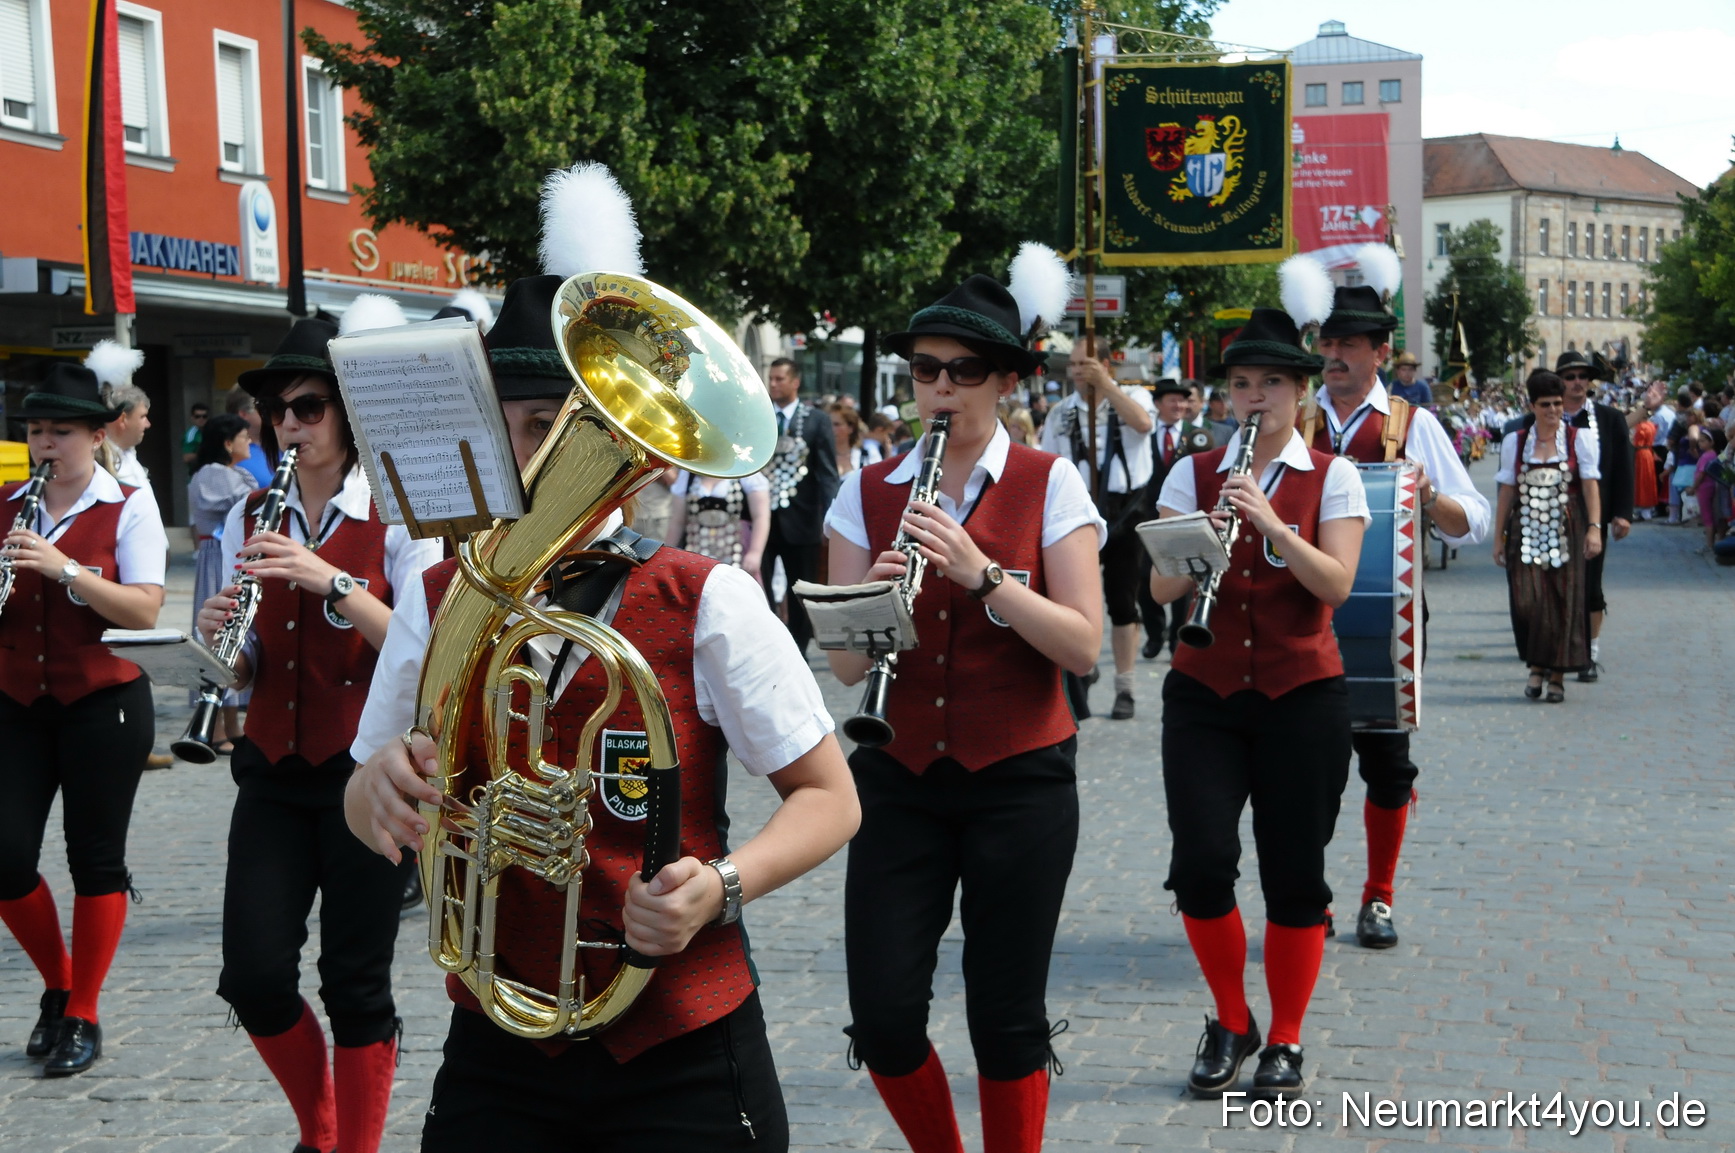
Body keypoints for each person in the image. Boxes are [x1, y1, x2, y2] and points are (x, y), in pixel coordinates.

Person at [342, 258, 858, 1152]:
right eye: (502, 429)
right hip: (498, 1041)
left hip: (680, 1040)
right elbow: (363, 797)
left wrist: (722, 887)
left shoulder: (709, 598)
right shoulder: (434, 594)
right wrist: (378, 791)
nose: (526, 454)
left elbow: (830, 798)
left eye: (549, 424)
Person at [825, 271, 1103, 1153]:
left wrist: (983, 574)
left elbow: (1083, 645)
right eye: (922, 369)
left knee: (1006, 1012)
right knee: (884, 1014)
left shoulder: (1048, 483)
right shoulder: (864, 490)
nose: (939, 387)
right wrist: (872, 603)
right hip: (895, 774)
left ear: (1006, 380)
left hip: (1019, 775)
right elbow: (838, 664)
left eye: (963, 370)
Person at [194, 310, 442, 1153]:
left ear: (348, 414)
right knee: (254, 977)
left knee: (355, 981)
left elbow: (426, 645)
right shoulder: (248, 517)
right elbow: (246, 665)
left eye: (309, 408)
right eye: (277, 411)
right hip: (271, 766)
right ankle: (321, 1127)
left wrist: (329, 577)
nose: (289, 425)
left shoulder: (400, 513)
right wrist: (219, 641)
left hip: (367, 773)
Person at [1148, 307, 1367, 1100]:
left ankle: (1285, 1036)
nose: (1253, 396)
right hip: (1203, 690)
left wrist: (1272, 523)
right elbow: (1161, 587)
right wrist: (1201, 535)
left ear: (1300, 393)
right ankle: (1230, 1016)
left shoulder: (1330, 474)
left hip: (1302, 691)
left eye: (1270, 382)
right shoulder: (1191, 472)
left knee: (1294, 874)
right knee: (1200, 863)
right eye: (1240, 383)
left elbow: (1335, 584)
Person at [1305, 277, 1490, 952]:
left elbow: (1471, 519)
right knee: (1305, 765)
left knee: (1386, 763)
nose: (1333, 355)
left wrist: (1429, 494)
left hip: (1391, 618)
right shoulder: (1293, 421)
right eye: (1326, 342)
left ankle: (1377, 894)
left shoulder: (1415, 426)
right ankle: (1308, 895)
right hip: (1305, 615)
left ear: (1380, 351)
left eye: (1348, 343)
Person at [0, 364, 168, 1076]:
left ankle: (84, 1010)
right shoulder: (7, 501)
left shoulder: (127, 503)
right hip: (14, 700)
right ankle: (59, 980)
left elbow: (144, 608)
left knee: (94, 858)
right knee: (5, 857)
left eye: (60, 431)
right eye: (36, 430)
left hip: (104, 701)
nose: (45, 444)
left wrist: (64, 566)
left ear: (97, 436)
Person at [1039, 341, 1154, 719]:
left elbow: (1143, 424)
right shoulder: (1061, 413)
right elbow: (1048, 464)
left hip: (1126, 512)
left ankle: (1126, 686)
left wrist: (1106, 386)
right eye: (1071, 364)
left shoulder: (1131, 396)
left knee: (1122, 602)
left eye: (1083, 363)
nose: (1075, 371)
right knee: (1070, 600)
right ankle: (1081, 668)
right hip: (1078, 514)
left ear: (1104, 364)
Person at [1492, 371, 1601, 702]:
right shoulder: (1517, 440)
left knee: (1563, 600)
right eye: (1545, 404)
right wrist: (1498, 537)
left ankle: (1552, 674)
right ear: (1532, 405)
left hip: (1567, 525)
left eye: (1557, 403)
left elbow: (1589, 485)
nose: (1553, 410)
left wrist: (1594, 527)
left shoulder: (1578, 438)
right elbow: (1507, 491)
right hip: (1525, 525)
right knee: (1528, 601)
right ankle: (1537, 663)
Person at [1547, 351, 1632, 683]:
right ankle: (1557, 649)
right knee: (1552, 585)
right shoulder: (1544, 416)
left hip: (1592, 513)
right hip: (1549, 511)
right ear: (1559, 382)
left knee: (1590, 585)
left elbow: (1624, 467)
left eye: (1582, 376)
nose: (1577, 382)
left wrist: (1623, 513)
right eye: (1570, 377)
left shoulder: (1609, 419)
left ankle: (1589, 654)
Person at [186, 412, 256, 755]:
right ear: (228, 443)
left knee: (235, 634)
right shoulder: (213, 474)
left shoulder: (232, 473)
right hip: (217, 556)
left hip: (227, 554)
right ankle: (213, 725)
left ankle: (230, 723)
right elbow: (242, 506)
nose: (250, 443)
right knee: (220, 631)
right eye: (244, 437)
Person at [760, 357, 841, 654]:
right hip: (761, 521)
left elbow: (827, 473)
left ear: (795, 382)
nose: (773, 384)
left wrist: (831, 517)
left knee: (801, 590)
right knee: (762, 587)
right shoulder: (760, 415)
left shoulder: (816, 420)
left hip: (803, 519)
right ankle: (769, 647)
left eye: (780, 379)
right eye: (771, 378)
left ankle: (798, 648)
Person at [1139, 378, 1216, 660]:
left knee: (1180, 582)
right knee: (1145, 582)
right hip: (1146, 518)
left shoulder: (1198, 435)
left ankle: (1175, 638)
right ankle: (1154, 634)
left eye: (1184, 400)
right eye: (1173, 400)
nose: (1180, 405)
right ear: (1158, 404)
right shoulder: (1143, 435)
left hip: (1183, 518)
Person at [666, 464, 771, 577]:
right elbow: (677, 522)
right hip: (697, 550)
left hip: (737, 551)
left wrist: (755, 552)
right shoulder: (688, 474)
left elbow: (761, 516)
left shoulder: (745, 471)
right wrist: (667, 553)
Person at [226, 388, 275, 487]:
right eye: (263, 407)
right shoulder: (227, 453)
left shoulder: (283, 442)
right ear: (243, 414)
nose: (271, 411)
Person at [831, 401, 868, 475]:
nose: (831, 429)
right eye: (829, 424)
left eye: (837, 424)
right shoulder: (822, 456)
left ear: (851, 428)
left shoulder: (865, 455)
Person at [183, 401, 210, 466]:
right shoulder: (191, 435)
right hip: (197, 472)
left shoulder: (212, 430)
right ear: (192, 418)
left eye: (204, 416)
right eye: (197, 416)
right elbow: (186, 458)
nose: (201, 419)